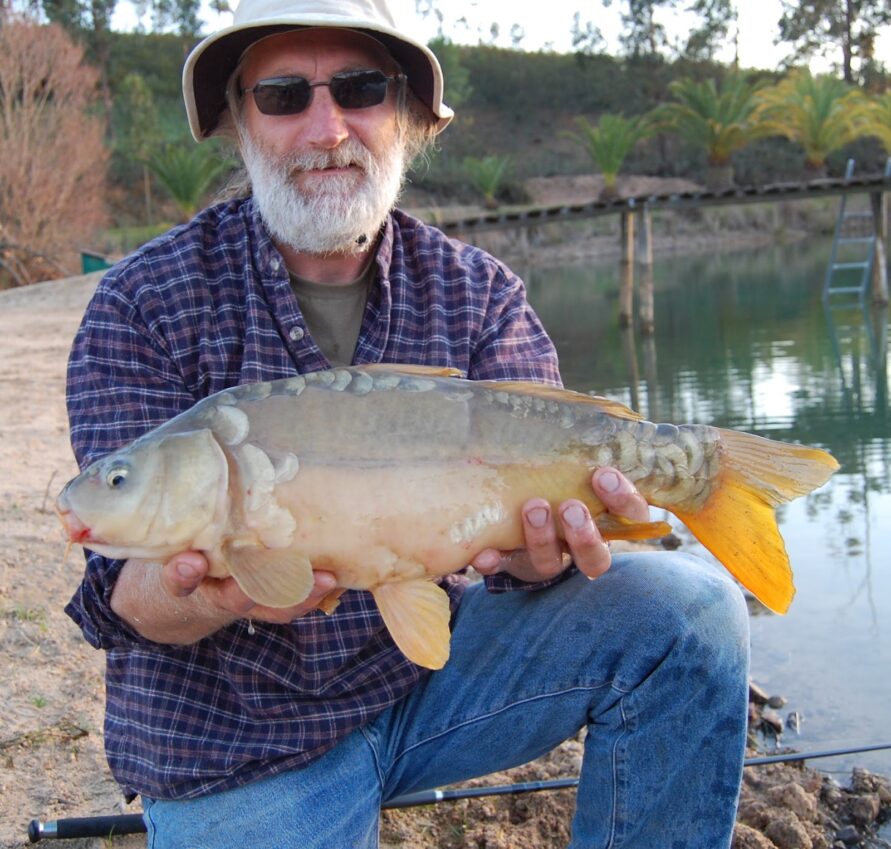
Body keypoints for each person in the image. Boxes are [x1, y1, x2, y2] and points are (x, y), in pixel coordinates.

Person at [64, 0, 750, 846]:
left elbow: (528, 563)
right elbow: (124, 598)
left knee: (691, 609)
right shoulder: (141, 302)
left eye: (359, 89)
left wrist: (549, 553)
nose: (326, 128)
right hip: (235, 740)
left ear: (409, 119)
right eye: (284, 96)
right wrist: (216, 591)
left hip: (433, 678)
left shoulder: (477, 291)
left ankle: (709, 477)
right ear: (238, 119)